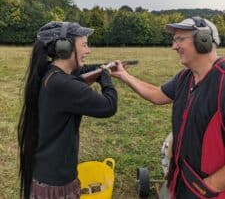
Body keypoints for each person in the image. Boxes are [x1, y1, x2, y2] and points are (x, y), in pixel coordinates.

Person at [111, 17, 225, 198]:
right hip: (181, 181)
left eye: (180, 39)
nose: (174, 46)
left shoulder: (223, 81)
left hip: (208, 192)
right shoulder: (184, 77)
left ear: (203, 39)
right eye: (174, 40)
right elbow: (157, 94)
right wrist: (124, 76)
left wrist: (207, 188)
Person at [17, 21, 118, 199]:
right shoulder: (63, 85)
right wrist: (106, 78)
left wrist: (101, 67)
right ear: (65, 48)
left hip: (46, 172)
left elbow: (78, 73)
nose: (89, 50)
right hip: (55, 184)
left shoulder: (51, 73)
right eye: (84, 44)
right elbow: (108, 106)